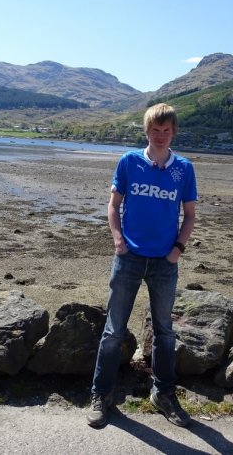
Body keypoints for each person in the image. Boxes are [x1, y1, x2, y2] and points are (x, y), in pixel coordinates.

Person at [87, 103, 197, 428]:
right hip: (129, 258)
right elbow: (113, 205)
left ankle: (163, 394)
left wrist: (177, 249)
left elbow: (189, 215)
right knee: (113, 331)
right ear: (146, 132)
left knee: (164, 332)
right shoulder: (129, 162)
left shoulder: (184, 169)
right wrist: (118, 241)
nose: (160, 136)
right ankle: (101, 395)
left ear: (173, 132)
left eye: (166, 131)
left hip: (165, 262)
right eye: (154, 130)